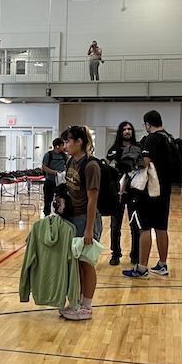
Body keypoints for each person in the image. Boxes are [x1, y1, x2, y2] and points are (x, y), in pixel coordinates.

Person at [124, 110, 173, 279]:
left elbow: (145, 162)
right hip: (165, 189)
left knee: (144, 227)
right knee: (161, 227)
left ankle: (142, 268)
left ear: (147, 124)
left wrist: (131, 165)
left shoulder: (152, 138)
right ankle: (162, 264)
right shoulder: (169, 137)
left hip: (151, 188)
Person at [60, 125, 102, 320]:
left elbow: (92, 200)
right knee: (75, 263)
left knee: (86, 263)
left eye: (69, 141)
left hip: (86, 218)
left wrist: (88, 229)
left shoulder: (91, 165)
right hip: (72, 217)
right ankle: (76, 302)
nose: (65, 145)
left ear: (79, 142)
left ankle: (87, 305)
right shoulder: (70, 162)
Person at [106, 121, 139, 266]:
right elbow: (105, 165)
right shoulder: (114, 149)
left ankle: (135, 254)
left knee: (135, 225)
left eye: (129, 129)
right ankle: (115, 253)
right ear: (121, 132)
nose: (127, 131)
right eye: (125, 129)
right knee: (115, 225)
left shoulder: (138, 148)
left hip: (134, 191)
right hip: (117, 192)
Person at [41, 138, 67, 217]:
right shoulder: (49, 155)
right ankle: (46, 215)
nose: (64, 147)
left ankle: (60, 215)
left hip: (61, 182)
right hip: (50, 180)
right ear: (57, 146)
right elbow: (44, 167)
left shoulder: (64, 156)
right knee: (48, 199)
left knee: (61, 199)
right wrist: (54, 172)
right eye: (63, 145)